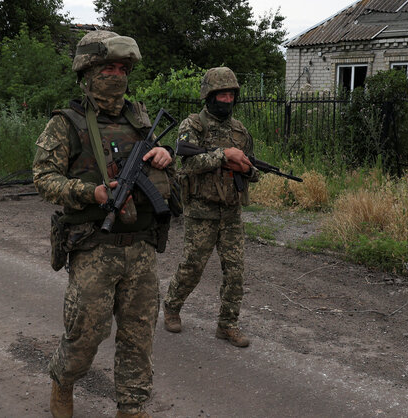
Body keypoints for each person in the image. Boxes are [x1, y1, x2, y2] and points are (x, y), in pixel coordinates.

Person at [33, 30, 175, 418]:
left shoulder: (139, 116)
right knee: (85, 335)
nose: (115, 75)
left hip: (140, 246)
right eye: (107, 67)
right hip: (94, 245)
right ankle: (63, 383)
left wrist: (163, 155)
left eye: (121, 68)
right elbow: (44, 178)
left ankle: (132, 406)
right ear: (87, 72)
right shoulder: (66, 122)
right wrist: (91, 193)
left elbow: (163, 170)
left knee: (139, 336)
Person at [162, 67, 259, 347]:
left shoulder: (240, 131)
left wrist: (249, 170)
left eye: (231, 95)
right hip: (201, 211)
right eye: (221, 94)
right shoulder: (193, 126)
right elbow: (187, 163)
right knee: (192, 266)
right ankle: (171, 307)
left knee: (235, 271)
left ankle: (227, 325)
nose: (227, 100)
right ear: (209, 95)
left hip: (230, 211)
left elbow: (251, 168)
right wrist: (222, 156)